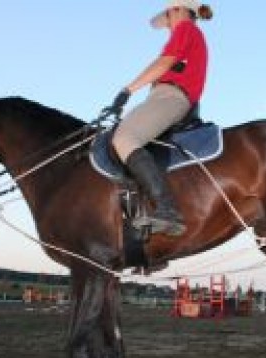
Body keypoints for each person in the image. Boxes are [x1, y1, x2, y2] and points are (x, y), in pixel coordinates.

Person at [101, 0, 213, 236]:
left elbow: (164, 63)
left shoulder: (186, 29)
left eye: (168, 17)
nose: (168, 24)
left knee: (124, 138)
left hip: (171, 97)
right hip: (161, 98)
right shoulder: (188, 34)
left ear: (179, 10)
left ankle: (168, 209)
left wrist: (127, 91)